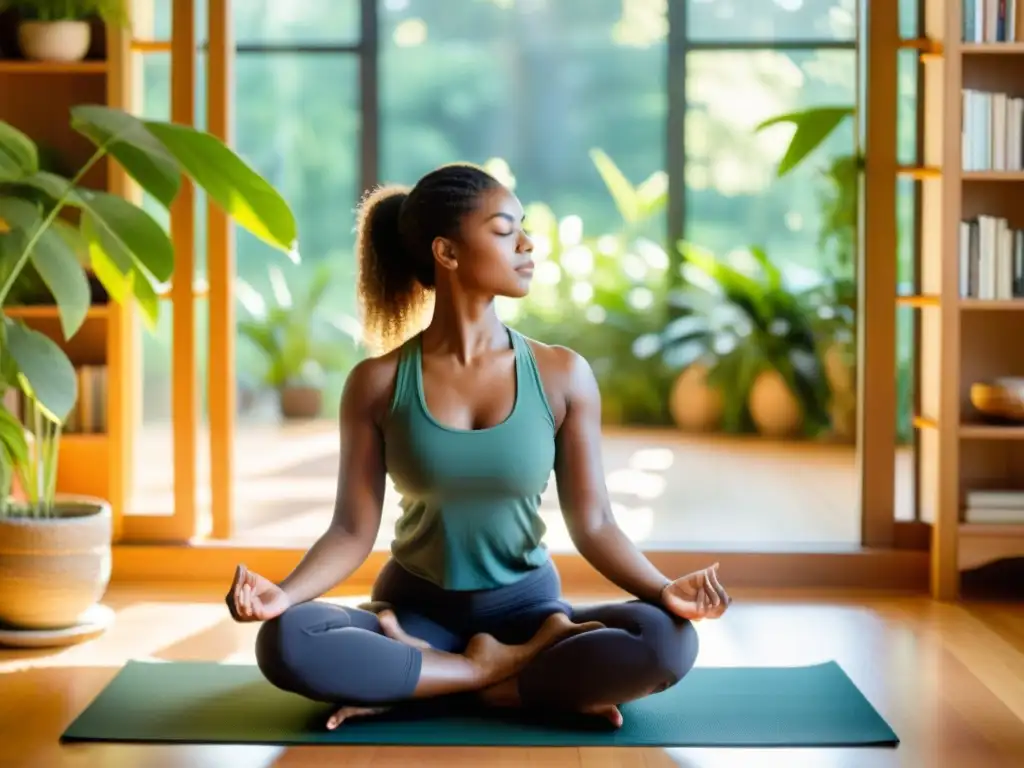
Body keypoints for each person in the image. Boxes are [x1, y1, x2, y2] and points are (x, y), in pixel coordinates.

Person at [226, 163, 732, 731]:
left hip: (530, 612)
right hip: (414, 616)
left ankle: (424, 683)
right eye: (502, 229)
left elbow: (595, 523)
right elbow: (351, 530)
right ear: (447, 252)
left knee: (667, 641)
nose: (527, 243)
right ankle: (498, 677)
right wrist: (282, 595)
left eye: (523, 228)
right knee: (286, 640)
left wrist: (666, 590)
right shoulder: (377, 382)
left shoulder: (562, 374)